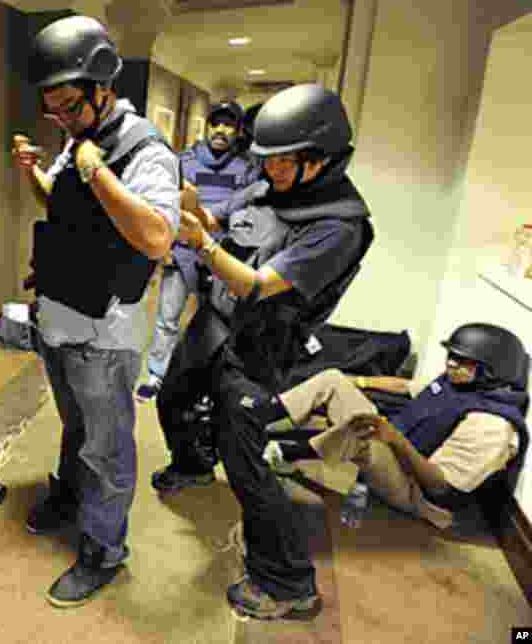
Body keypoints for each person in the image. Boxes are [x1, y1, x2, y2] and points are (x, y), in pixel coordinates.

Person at [154, 83, 375, 620]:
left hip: (264, 346)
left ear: (318, 159)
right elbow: (222, 226)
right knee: (173, 395)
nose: (268, 170)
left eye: (280, 162)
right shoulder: (264, 190)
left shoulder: (338, 226)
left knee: (246, 461)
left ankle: (289, 584)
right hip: (219, 317)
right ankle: (191, 463)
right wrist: (195, 216)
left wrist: (202, 246)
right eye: (266, 159)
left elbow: (257, 284)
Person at [11, 15, 181, 607]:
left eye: (68, 107)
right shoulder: (76, 138)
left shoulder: (144, 151)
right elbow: (66, 207)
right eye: (51, 108)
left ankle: (104, 550)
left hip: (104, 332)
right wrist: (36, 171)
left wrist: (97, 170)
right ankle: (70, 498)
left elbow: (158, 238)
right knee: (76, 427)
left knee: (106, 448)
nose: (59, 117)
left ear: (103, 87)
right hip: (59, 314)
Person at [263, 322, 528, 530]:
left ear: (491, 370)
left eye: (461, 360)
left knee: (365, 429)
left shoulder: (491, 425)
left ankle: (282, 453)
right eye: (451, 355)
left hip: (416, 493)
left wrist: (393, 439)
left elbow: (440, 487)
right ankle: (258, 418)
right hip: (395, 448)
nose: (450, 363)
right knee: (333, 379)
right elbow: (406, 386)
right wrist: (358, 382)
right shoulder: (459, 382)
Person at [137, 101, 260, 406]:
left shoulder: (247, 169)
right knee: (167, 319)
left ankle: (205, 384)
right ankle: (157, 375)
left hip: (220, 256)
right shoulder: (184, 161)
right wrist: (164, 249)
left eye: (228, 124)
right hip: (181, 253)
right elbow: (162, 206)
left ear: (238, 130)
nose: (221, 130)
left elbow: (245, 215)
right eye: (215, 122)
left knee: (214, 326)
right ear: (206, 126)